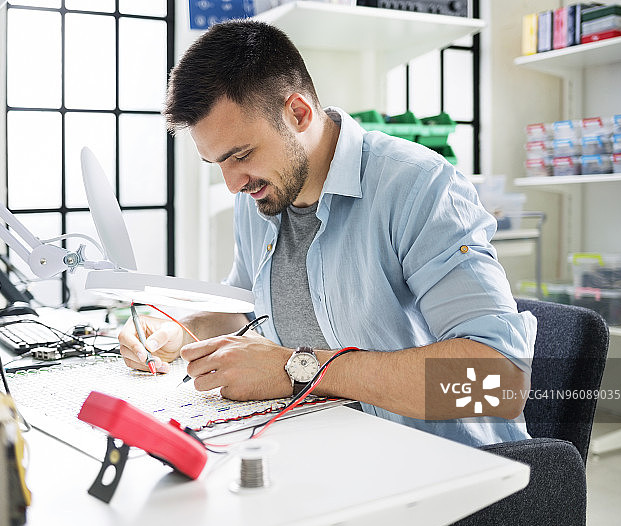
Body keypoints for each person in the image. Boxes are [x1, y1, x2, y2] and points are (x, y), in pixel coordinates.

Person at [118, 20, 536, 446]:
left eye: (241, 154)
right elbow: (248, 309)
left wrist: (296, 369)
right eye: (218, 164)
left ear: (298, 113)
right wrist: (179, 329)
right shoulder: (260, 194)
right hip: (325, 451)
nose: (232, 184)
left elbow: (498, 381)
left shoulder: (419, 187)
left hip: (448, 469)